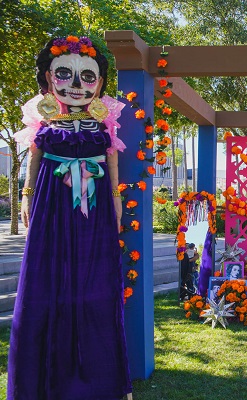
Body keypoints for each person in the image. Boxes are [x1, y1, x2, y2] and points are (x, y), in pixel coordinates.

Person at [9, 36, 131, 399]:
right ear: (48, 78)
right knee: (46, 276)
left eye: (88, 78)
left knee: (95, 277)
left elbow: (112, 163)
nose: (77, 85)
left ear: (101, 83)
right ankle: (44, 380)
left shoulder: (104, 124)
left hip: (94, 211)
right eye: (65, 75)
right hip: (51, 203)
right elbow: (32, 160)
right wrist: (26, 196)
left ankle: (99, 377)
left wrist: (116, 201)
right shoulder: (44, 122)